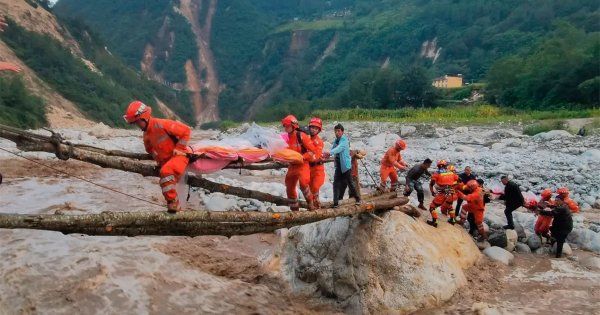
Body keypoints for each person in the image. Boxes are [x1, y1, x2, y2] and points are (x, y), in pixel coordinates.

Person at [123, 100, 191, 213]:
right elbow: (150, 151)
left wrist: (179, 148)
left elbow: (186, 131)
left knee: (166, 172)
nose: (137, 125)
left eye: (137, 122)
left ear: (143, 118)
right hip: (167, 162)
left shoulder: (162, 124)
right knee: (166, 173)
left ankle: (171, 202)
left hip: (180, 157)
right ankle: (178, 213)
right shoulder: (146, 136)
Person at [281, 115, 317, 211]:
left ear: (294, 126)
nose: (286, 128)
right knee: (289, 186)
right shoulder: (285, 138)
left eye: (287, 126)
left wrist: (302, 157)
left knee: (304, 183)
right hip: (292, 166)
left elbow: (312, 151)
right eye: (285, 126)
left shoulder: (302, 136)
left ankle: (310, 203)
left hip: (302, 164)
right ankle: (294, 210)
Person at [325, 124, 360, 207]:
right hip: (339, 166)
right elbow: (333, 148)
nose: (336, 133)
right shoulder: (336, 141)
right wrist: (326, 154)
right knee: (336, 184)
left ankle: (357, 198)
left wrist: (330, 153)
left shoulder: (344, 140)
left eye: (338, 131)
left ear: (342, 132)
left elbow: (339, 148)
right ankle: (336, 203)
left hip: (346, 167)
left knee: (350, 184)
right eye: (335, 131)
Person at [427, 159, 459, 227]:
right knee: (449, 206)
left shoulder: (437, 174)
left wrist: (432, 192)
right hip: (451, 193)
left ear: (438, 166)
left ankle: (435, 222)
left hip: (443, 193)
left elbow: (432, 184)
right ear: (446, 166)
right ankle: (452, 220)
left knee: (432, 207)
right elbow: (459, 180)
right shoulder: (451, 173)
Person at [308, 117, 325, 209]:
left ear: (319, 130)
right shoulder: (305, 138)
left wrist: (306, 157)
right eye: (312, 127)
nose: (313, 130)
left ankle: (316, 204)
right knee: (309, 189)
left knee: (315, 187)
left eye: (315, 128)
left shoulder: (319, 142)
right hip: (308, 168)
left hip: (318, 169)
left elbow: (317, 156)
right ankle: (313, 205)